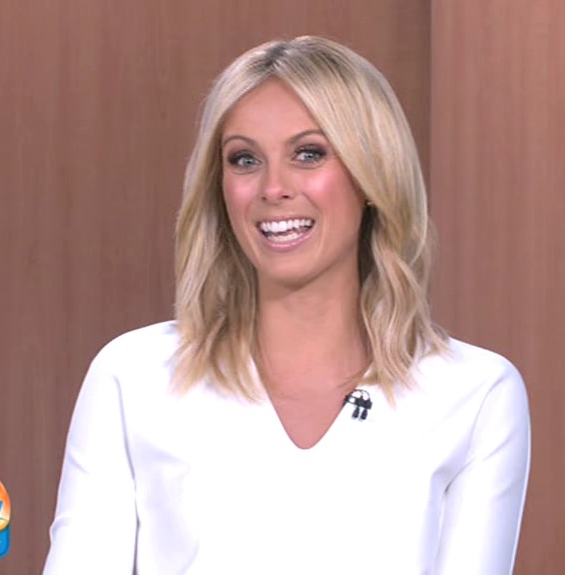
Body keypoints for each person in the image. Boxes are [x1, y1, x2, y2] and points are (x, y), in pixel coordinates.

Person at [43, 36, 530, 574]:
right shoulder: (134, 377)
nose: (273, 188)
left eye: (308, 154)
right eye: (245, 160)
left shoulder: (476, 393)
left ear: (372, 173)